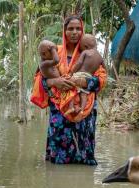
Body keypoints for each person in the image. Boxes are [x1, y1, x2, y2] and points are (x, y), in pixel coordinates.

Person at [30, 15, 107, 165]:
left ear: (82, 31)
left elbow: (101, 79)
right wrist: (55, 81)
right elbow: (40, 78)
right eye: (70, 28)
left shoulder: (90, 52)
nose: (74, 32)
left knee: (84, 152)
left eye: (78, 28)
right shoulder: (53, 52)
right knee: (59, 157)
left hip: (85, 110)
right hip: (60, 110)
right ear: (64, 32)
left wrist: (83, 81)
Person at [68, 34, 104, 114]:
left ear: (85, 46)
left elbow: (79, 63)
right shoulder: (100, 57)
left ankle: (71, 107)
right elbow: (105, 70)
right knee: (83, 94)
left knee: (70, 88)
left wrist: (71, 73)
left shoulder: (85, 52)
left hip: (79, 74)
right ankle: (82, 109)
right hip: (89, 76)